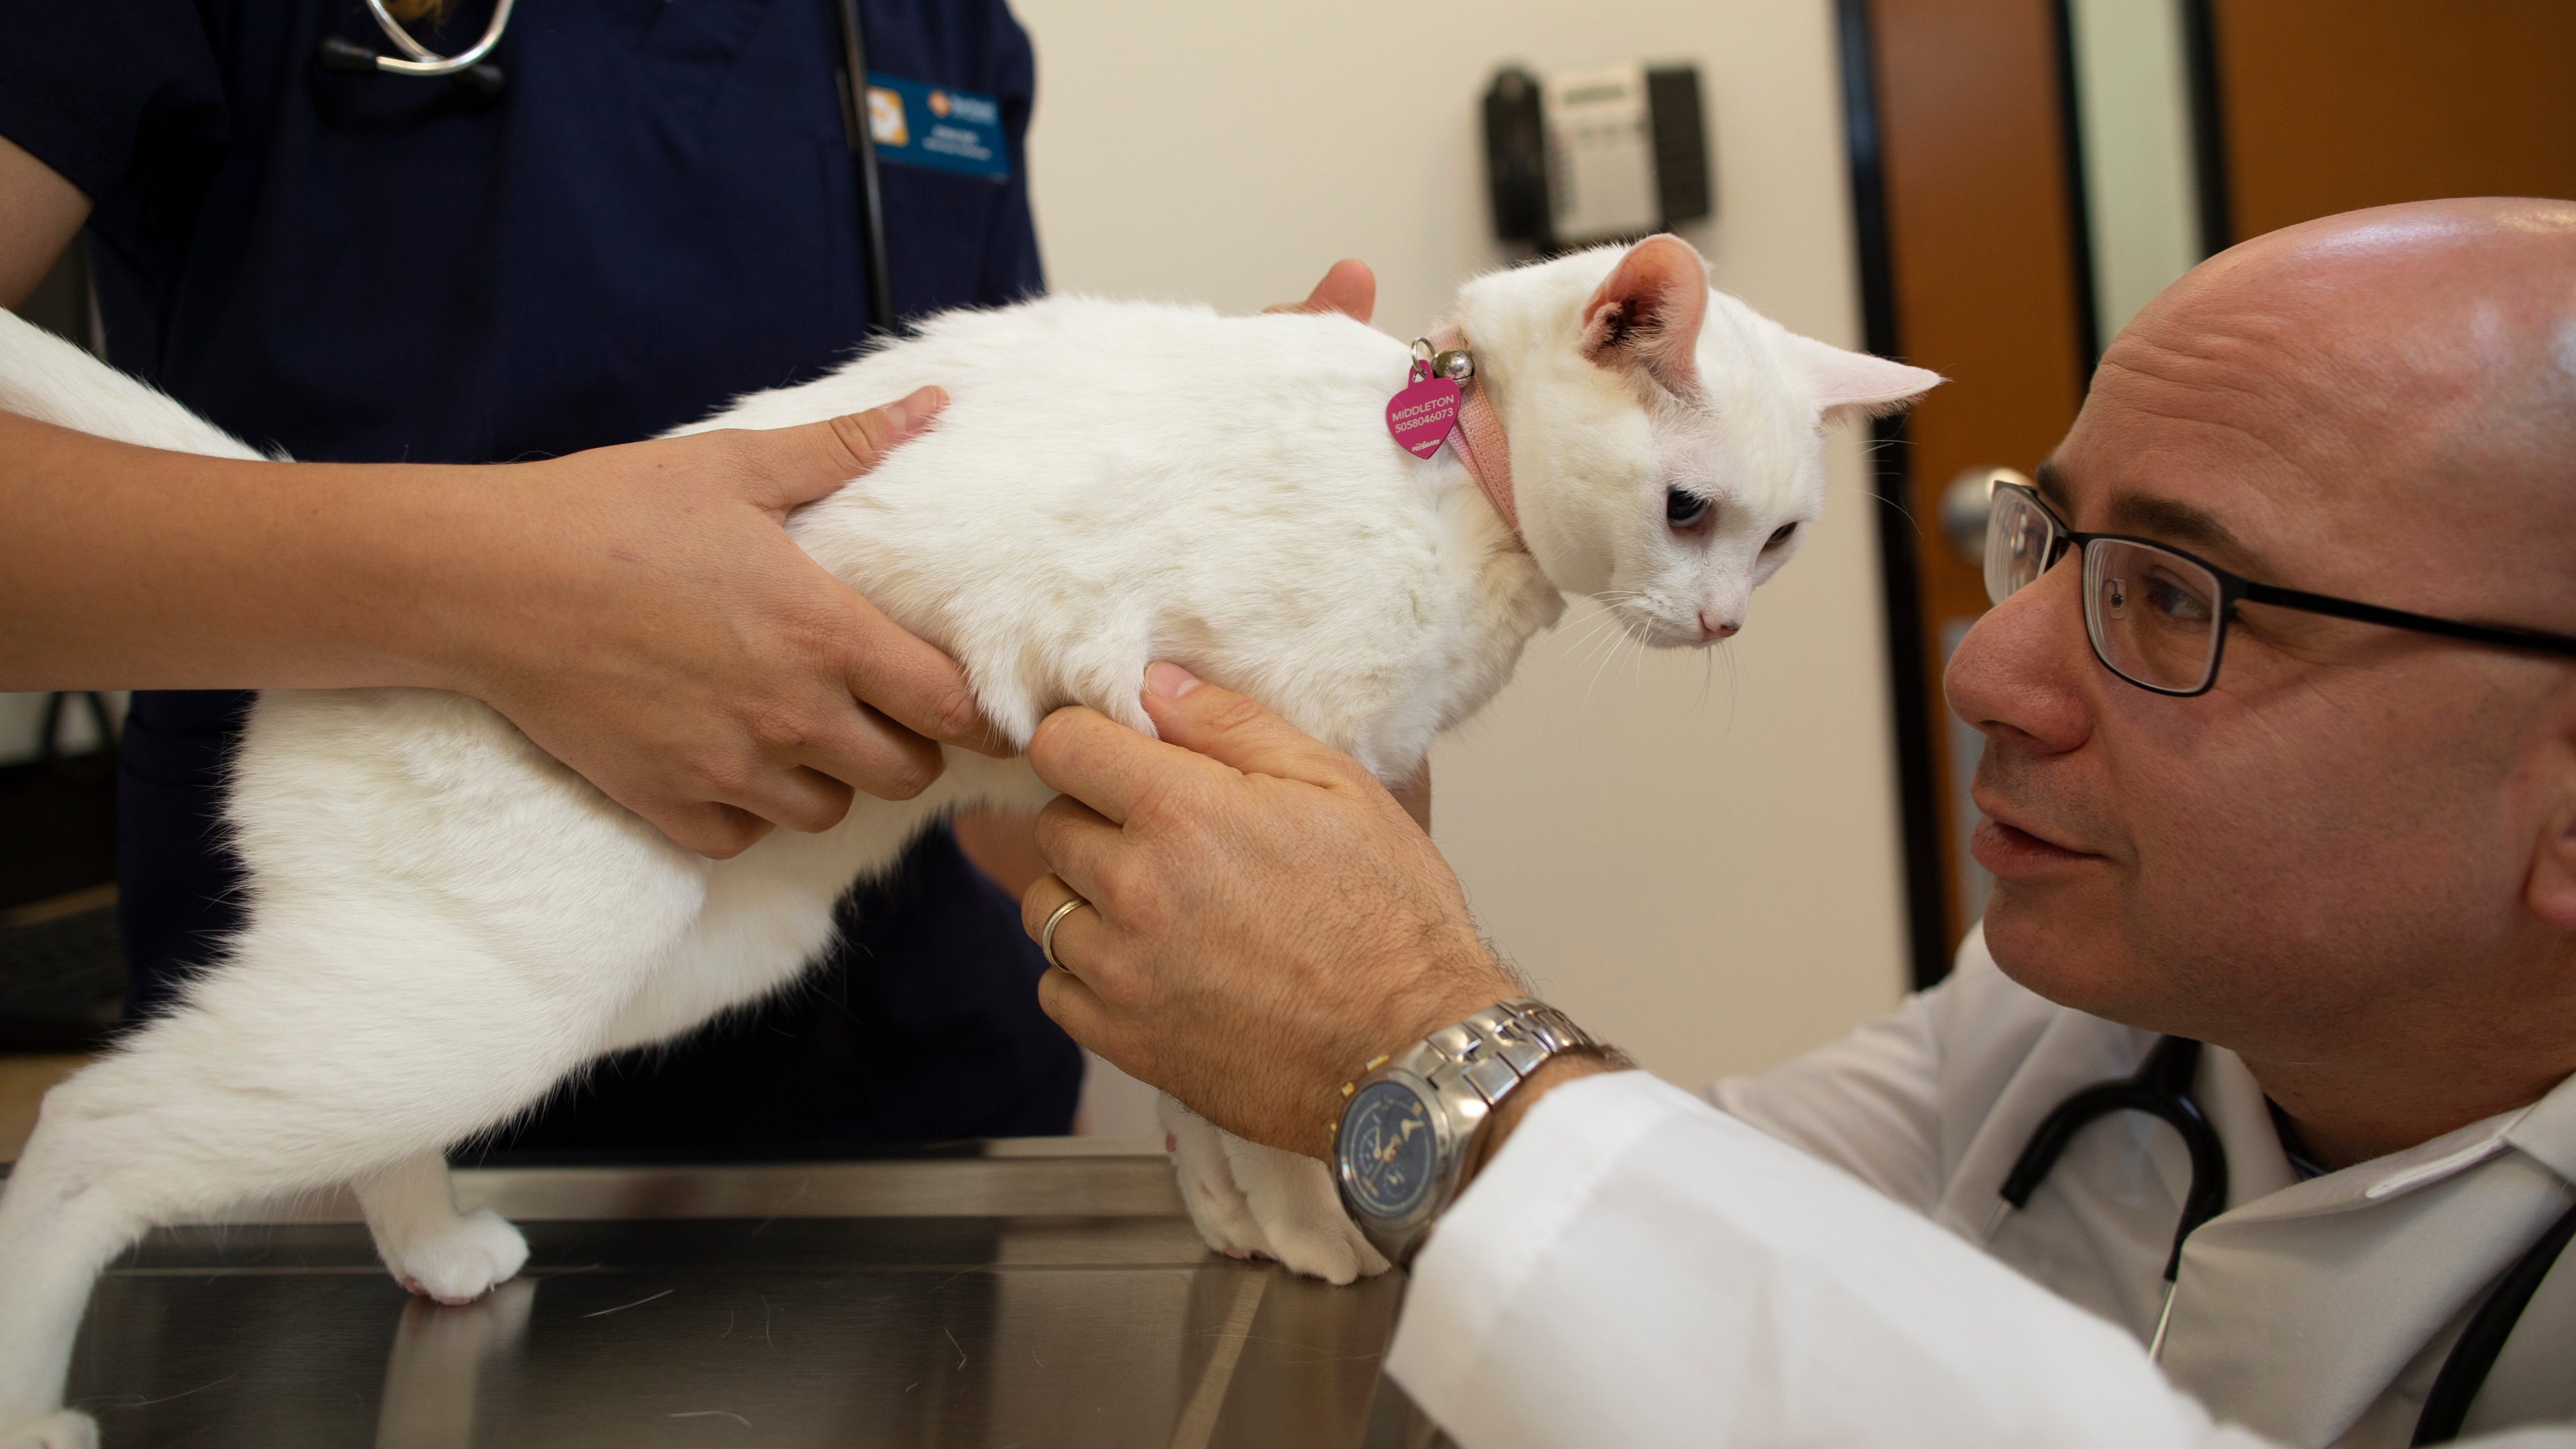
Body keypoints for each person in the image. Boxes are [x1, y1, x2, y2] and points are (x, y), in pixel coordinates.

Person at [1014, 197, 2576, 1446]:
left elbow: (1592, 1205)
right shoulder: (2067, 1027)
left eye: (2175, 597)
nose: (1990, 669)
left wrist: (1424, 1041)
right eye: (2051, 539)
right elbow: (1666, 1229)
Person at [0, 0, 1085, 1147]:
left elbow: (992, 598)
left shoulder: (951, 33)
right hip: (373, 1046)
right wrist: (503, 594)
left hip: (895, 1089)